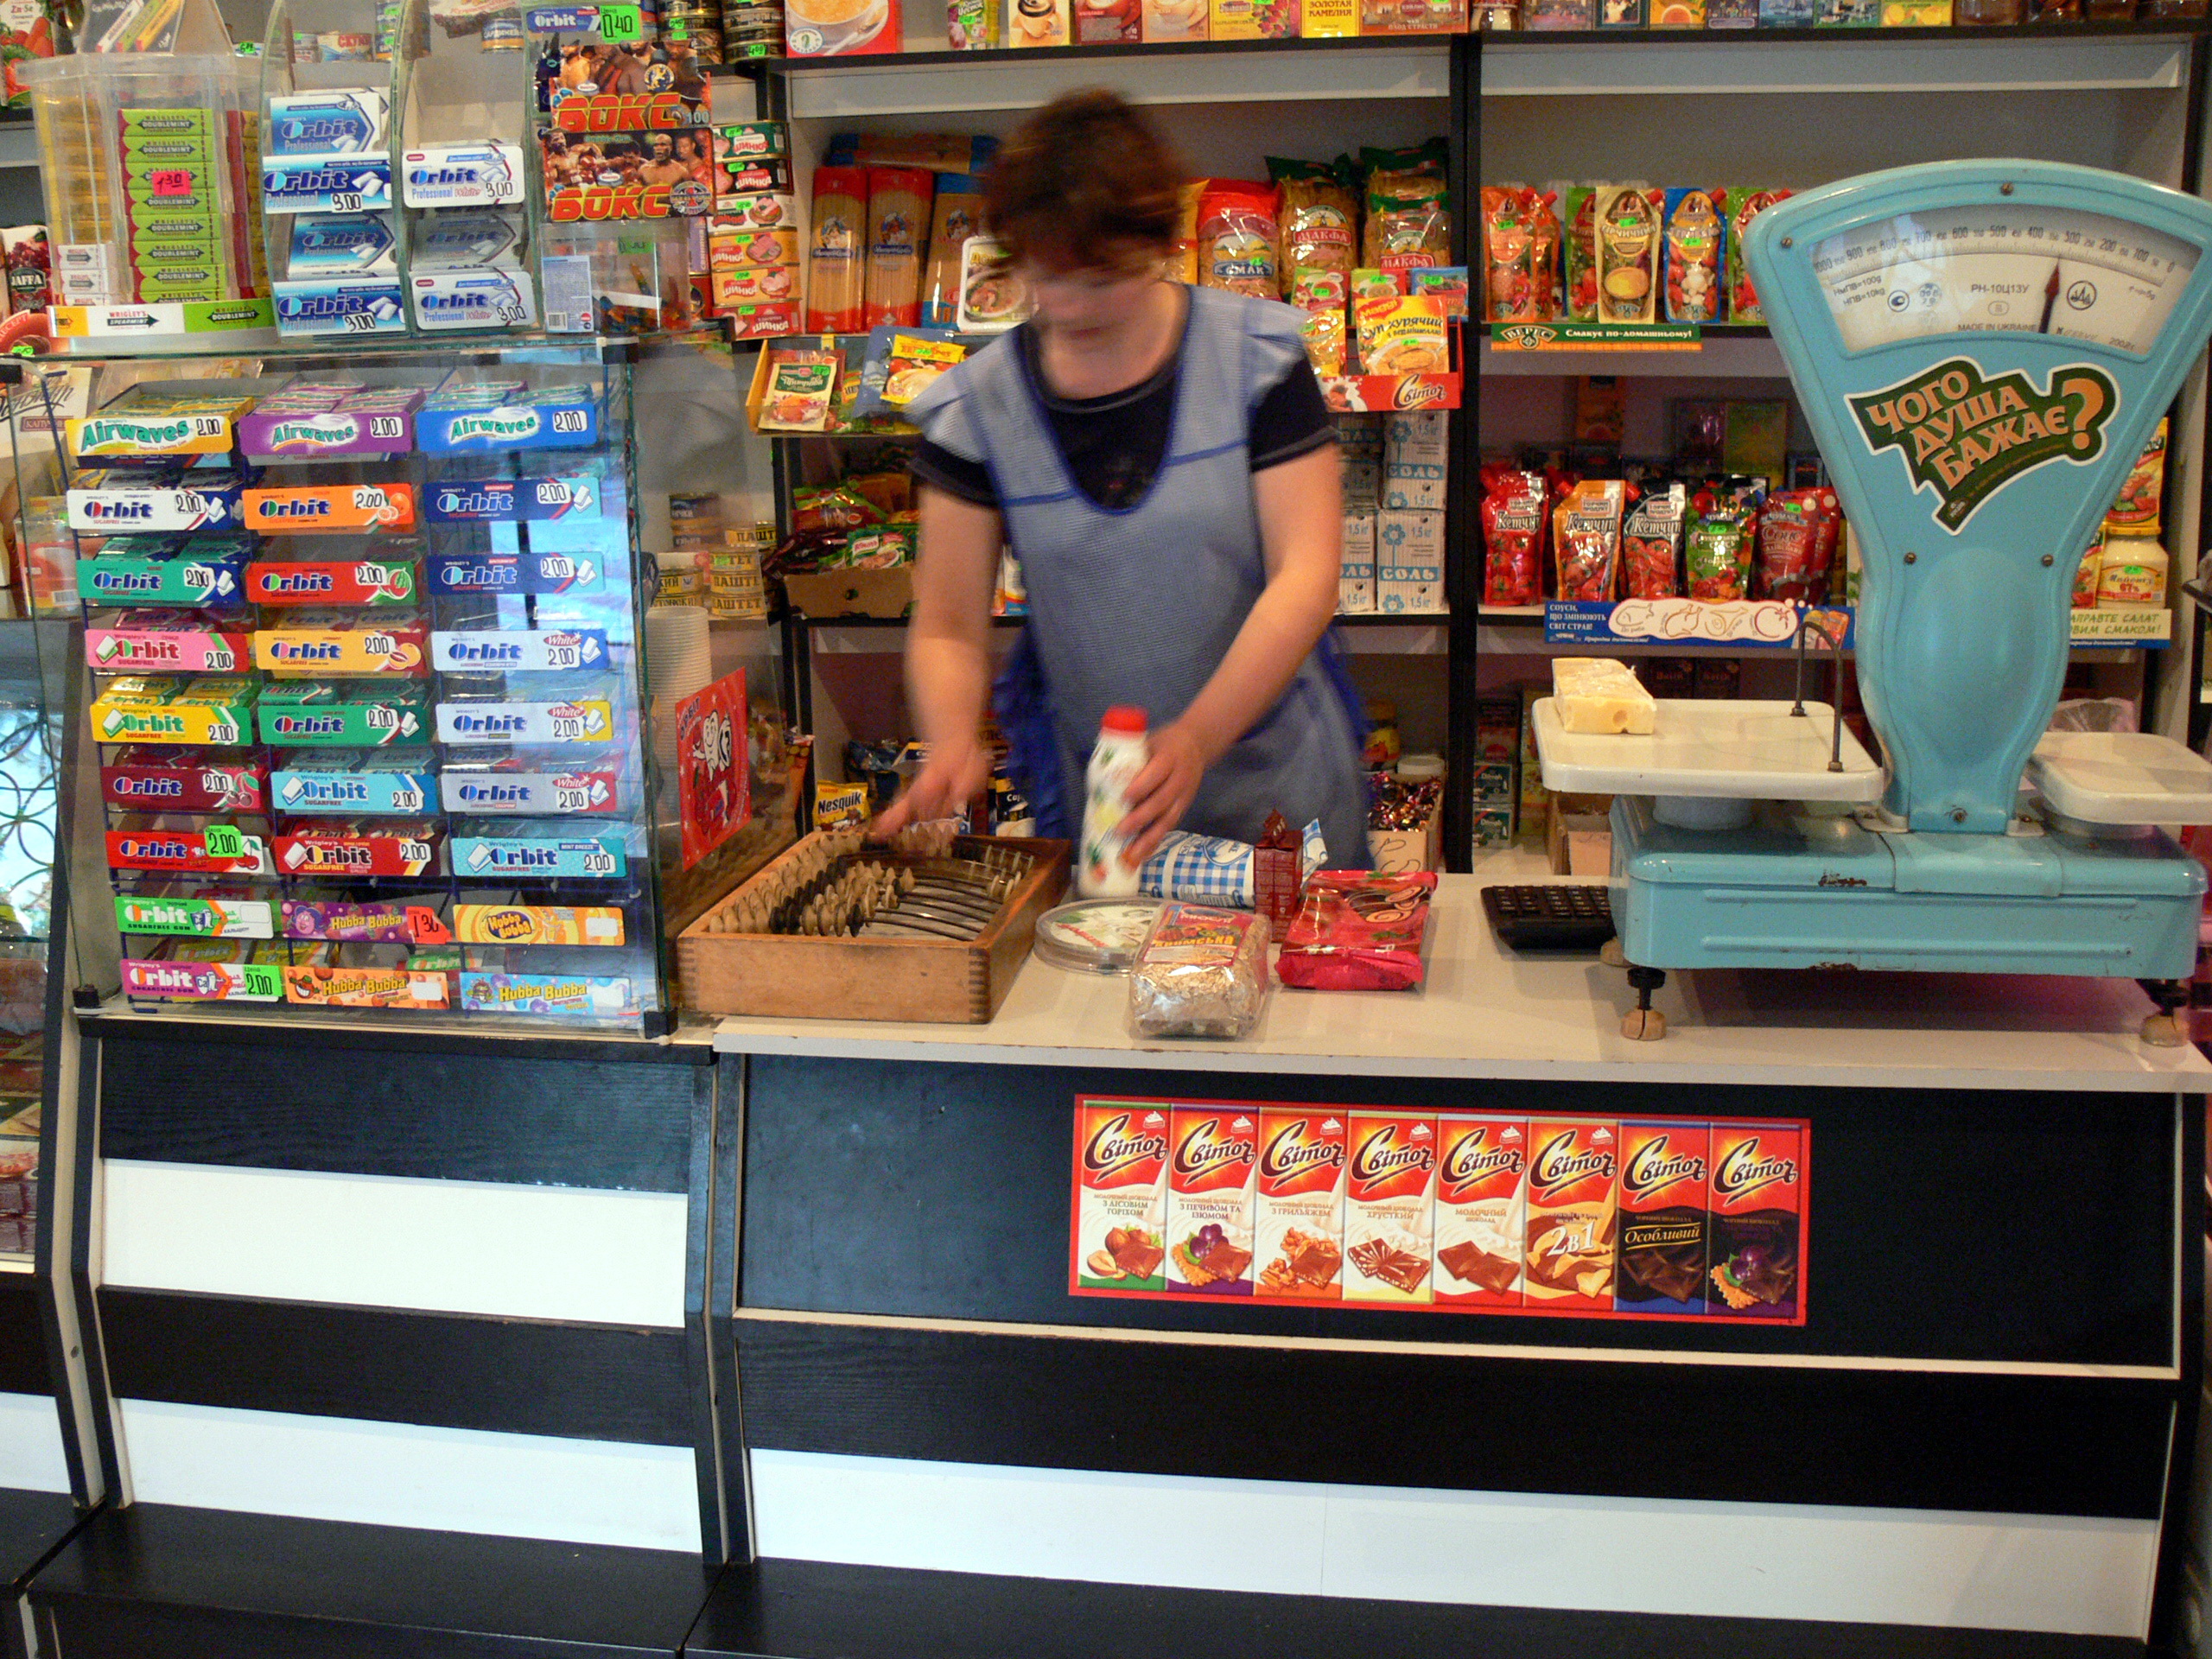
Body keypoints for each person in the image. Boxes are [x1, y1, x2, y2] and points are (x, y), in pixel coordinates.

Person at [877, 89, 1370, 872]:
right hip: (1112, 817)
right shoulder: (979, 411)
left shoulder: (1254, 360)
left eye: (1103, 277)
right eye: (1050, 276)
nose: (1074, 306)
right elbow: (946, 626)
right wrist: (951, 742)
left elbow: (1305, 579)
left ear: (1160, 245)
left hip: (1282, 802)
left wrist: (1197, 736)